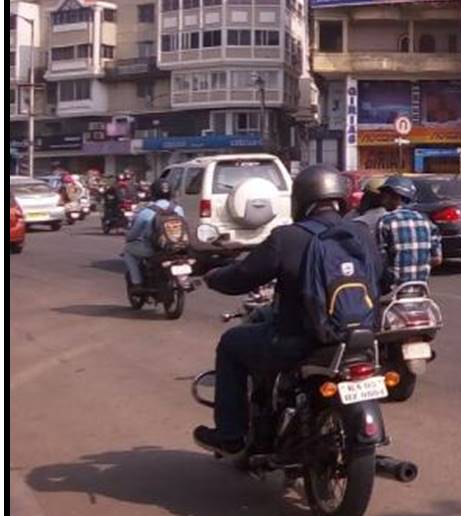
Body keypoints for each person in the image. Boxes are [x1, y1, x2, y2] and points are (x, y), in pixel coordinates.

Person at [194, 165, 383, 455]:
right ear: (340, 198)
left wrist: (213, 277)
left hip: (299, 343)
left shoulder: (287, 237)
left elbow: (242, 277)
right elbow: (383, 275)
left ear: (302, 198)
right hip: (358, 342)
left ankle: (230, 434)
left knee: (231, 344)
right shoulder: (362, 234)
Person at [375, 175, 442, 292]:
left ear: (396, 197)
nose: (381, 199)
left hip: (392, 288)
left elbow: (380, 259)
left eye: (385, 195)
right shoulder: (426, 221)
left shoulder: (386, 221)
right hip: (420, 287)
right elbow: (437, 259)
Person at [121, 179, 184, 288]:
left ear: (153, 193)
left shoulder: (147, 211)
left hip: (152, 249)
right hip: (176, 248)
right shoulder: (178, 209)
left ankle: (137, 282)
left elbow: (134, 233)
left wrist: (128, 238)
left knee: (128, 250)